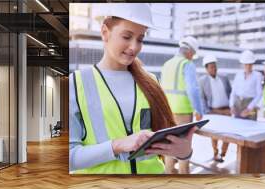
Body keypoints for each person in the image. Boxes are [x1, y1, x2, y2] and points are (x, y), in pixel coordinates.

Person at [69, 3, 195, 174]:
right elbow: (69, 158)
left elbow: (163, 144)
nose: (134, 47)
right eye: (127, 37)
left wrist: (184, 152)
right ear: (105, 33)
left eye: (140, 39)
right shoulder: (77, 83)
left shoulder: (150, 81)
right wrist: (117, 145)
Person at [160, 35, 204, 174]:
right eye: (193, 54)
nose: (193, 57)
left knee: (168, 146)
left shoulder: (167, 64)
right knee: (184, 149)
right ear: (190, 51)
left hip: (167, 110)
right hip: (183, 111)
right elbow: (192, 89)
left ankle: (168, 178)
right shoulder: (187, 64)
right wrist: (198, 109)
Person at [199, 54, 231, 162]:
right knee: (215, 134)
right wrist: (207, 112)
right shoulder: (203, 81)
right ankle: (216, 153)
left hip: (227, 110)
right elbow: (202, 98)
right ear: (206, 69)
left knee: (228, 133)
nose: (214, 68)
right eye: (211, 67)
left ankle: (223, 153)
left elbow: (231, 93)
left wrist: (232, 108)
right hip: (213, 111)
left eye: (215, 66)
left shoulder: (224, 77)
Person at [230, 50, 263, 120]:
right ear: (243, 64)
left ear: (253, 64)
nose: (248, 66)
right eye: (246, 64)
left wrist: (249, 108)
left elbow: (259, 94)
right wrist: (231, 105)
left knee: (251, 126)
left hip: (251, 105)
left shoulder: (258, 76)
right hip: (237, 104)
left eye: (250, 64)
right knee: (237, 125)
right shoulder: (238, 75)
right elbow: (233, 92)